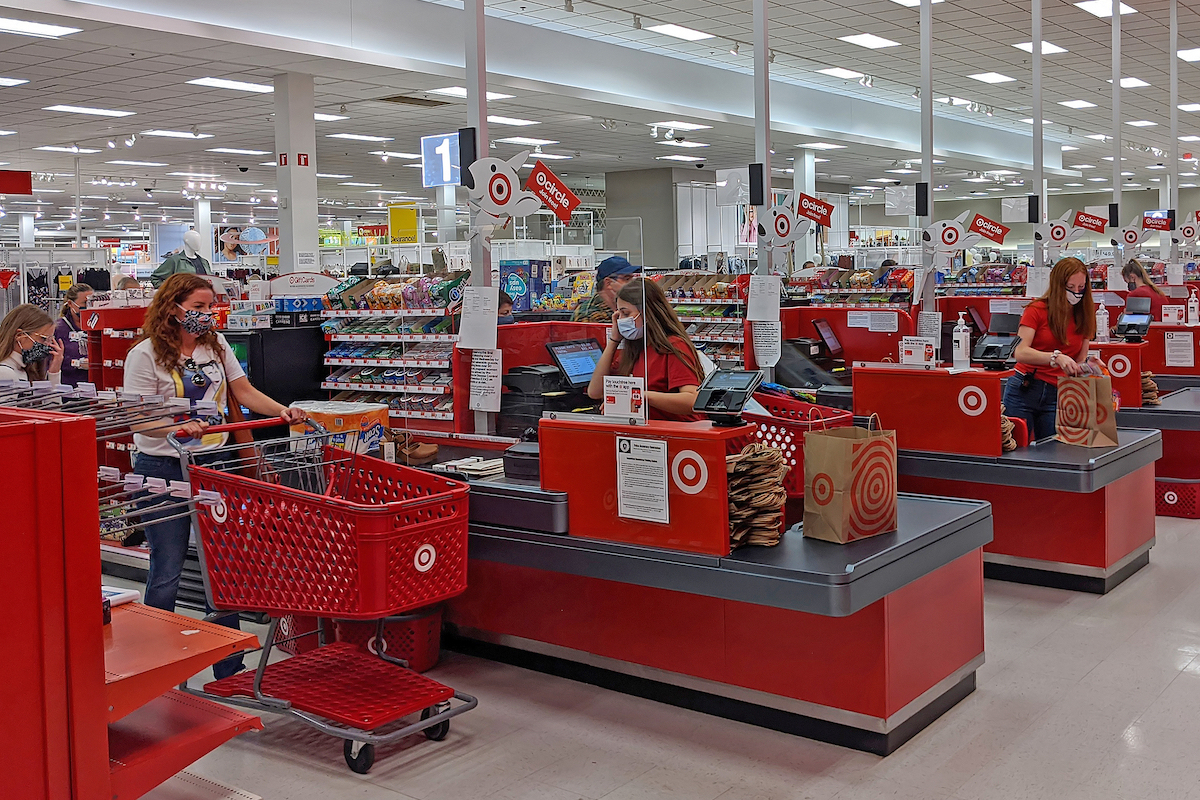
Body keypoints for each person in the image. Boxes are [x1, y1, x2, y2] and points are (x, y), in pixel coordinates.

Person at [123, 273, 306, 678]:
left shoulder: (216, 345)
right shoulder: (145, 354)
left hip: (214, 466)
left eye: (210, 307)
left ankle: (229, 668)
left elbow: (243, 391)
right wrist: (173, 427)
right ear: (173, 308)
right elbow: (137, 421)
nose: (207, 315)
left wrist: (281, 410)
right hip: (163, 467)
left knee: (222, 566)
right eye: (198, 307)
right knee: (167, 567)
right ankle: (157, 665)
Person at [1003, 257, 1099, 441]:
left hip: (1060, 393)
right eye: (1071, 287)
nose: (1076, 293)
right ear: (1058, 285)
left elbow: (1080, 358)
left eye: (1081, 287)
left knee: (1053, 454)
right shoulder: (1036, 310)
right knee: (1015, 451)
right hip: (1024, 389)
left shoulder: (1086, 313)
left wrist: (1089, 364)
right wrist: (1055, 357)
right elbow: (1020, 352)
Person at [587, 278, 704, 422]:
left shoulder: (673, 346)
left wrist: (641, 396)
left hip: (679, 434)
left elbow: (692, 399)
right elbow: (595, 391)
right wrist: (614, 341)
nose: (620, 320)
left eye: (626, 313)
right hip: (647, 435)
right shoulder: (635, 349)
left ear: (647, 314)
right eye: (618, 315)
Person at [0, 304, 65, 384]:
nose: (47, 345)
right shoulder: (5, 373)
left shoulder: (25, 369)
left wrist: (54, 372)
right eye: (43, 338)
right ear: (20, 335)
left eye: (50, 340)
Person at [573, 256, 640, 323]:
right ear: (608, 283)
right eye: (627, 279)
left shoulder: (620, 307)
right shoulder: (590, 315)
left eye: (632, 279)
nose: (632, 283)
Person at [53, 283, 93, 387]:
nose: (88, 307)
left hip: (93, 385)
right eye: (85, 303)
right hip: (69, 386)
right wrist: (76, 363)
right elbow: (52, 361)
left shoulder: (96, 326)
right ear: (70, 303)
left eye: (91, 303)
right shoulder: (58, 329)